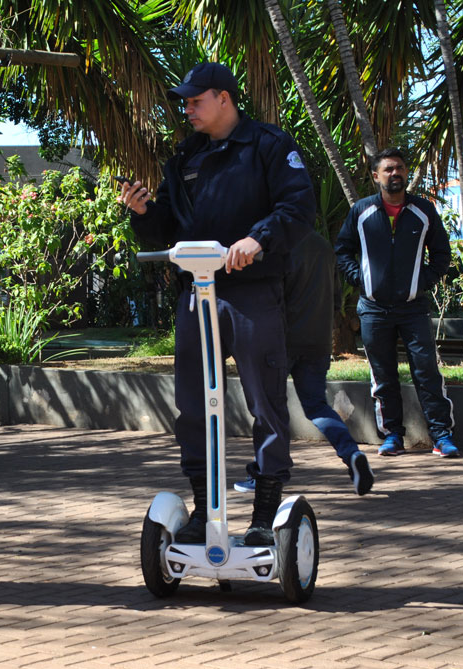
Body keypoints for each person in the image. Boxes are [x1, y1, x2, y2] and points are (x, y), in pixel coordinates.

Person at [119, 62, 316, 546]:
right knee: (193, 405)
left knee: (264, 404)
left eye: (194, 100)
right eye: (184, 102)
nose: (186, 109)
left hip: (252, 293)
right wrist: (145, 214)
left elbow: (298, 209)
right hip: (197, 294)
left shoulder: (270, 146)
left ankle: (263, 516)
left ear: (224, 98)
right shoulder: (184, 157)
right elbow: (167, 227)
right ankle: (203, 512)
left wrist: (258, 239)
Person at [335, 147, 461, 458]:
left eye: (400, 168)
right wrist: (361, 280)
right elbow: (342, 251)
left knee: (426, 371)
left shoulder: (423, 210)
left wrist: (422, 282)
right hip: (374, 309)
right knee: (383, 374)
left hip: (413, 307)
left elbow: (442, 255)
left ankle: (442, 436)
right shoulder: (361, 212)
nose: (396, 174)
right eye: (389, 169)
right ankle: (392, 435)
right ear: (376, 176)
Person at [235, 231, 374, 496]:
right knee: (317, 406)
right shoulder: (323, 244)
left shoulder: (276, 243)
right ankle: (351, 454)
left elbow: (270, 296)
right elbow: (335, 298)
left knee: (269, 408)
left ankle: (266, 473)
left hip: (282, 339)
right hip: (318, 340)